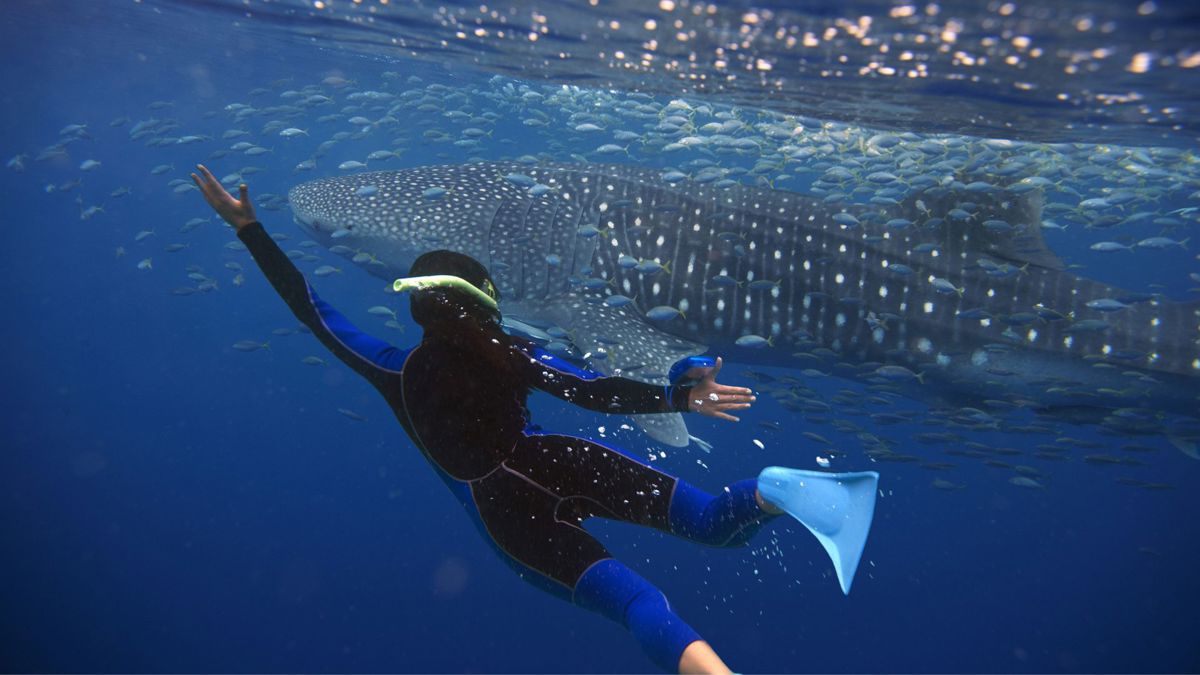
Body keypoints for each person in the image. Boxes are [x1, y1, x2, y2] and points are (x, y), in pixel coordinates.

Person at [192, 165, 880, 674]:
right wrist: (676, 394)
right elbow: (598, 390)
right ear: (485, 298)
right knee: (708, 521)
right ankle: (774, 489)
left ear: (415, 304)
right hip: (564, 460)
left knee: (638, 604)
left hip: (511, 514)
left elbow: (312, 312)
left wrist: (251, 230)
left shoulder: (392, 372)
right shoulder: (515, 353)